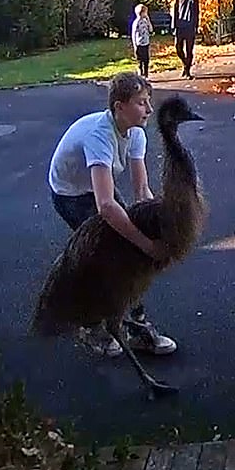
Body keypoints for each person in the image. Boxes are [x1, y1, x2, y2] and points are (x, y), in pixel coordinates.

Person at [47, 71, 177, 357]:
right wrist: (145, 245)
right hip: (70, 193)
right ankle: (92, 327)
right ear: (119, 107)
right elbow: (106, 206)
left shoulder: (135, 134)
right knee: (104, 258)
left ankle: (135, 327)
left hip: (95, 190)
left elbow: (142, 190)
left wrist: (160, 230)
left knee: (128, 252)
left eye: (149, 101)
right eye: (141, 103)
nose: (150, 109)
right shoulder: (99, 138)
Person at [172, 0, 199, 79]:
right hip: (180, 27)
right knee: (178, 48)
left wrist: (196, 26)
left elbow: (196, 14)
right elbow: (175, 13)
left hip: (190, 28)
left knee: (189, 50)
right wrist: (174, 26)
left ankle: (187, 71)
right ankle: (185, 64)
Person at [131, 3, 152, 78]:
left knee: (146, 59)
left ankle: (146, 74)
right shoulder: (136, 22)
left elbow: (151, 29)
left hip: (146, 42)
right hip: (139, 43)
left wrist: (148, 20)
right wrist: (135, 45)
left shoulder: (145, 21)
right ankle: (141, 73)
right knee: (140, 60)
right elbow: (133, 34)